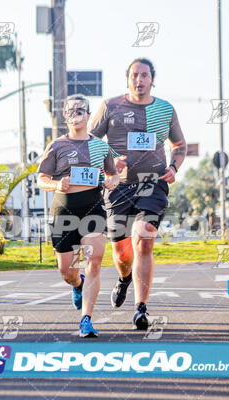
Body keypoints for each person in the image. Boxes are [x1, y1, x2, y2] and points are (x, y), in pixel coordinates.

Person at [89, 58, 187, 330]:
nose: (139, 80)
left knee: (143, 238)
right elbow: (89, 143)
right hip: (118, 186)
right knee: (121, 254)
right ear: (128, 79)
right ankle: (124, 279)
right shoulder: (110, 106)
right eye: (135, 75)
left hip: (151, 183)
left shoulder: (165, 109)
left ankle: (140, 308)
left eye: (144, 75)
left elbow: (179, 144)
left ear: (152, 79)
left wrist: (173, 167)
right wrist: (110, 161)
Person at [37, 94, 120, 337]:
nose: (76, 115)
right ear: (65, 116)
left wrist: (111, 181)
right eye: (71, 112)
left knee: (93, 260)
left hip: (93, 208)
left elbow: (112, 174)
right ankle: (78, 284)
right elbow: (41, 179)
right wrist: (56, 185)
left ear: (88, 114)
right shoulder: (56, 145)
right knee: (67, 270)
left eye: (80, 111)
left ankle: (86, 319)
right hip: (63, 210)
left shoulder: (100, 146)